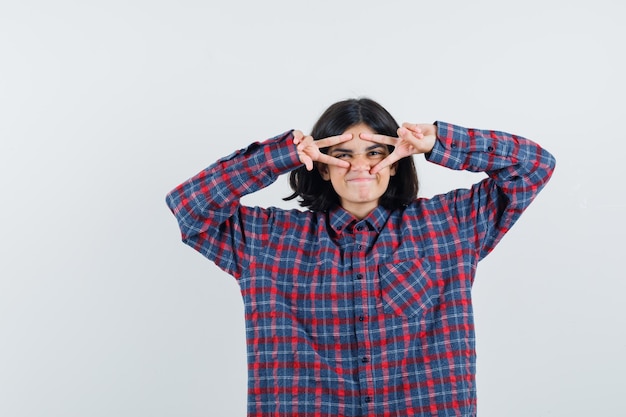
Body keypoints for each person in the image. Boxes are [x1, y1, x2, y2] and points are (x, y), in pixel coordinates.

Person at [165, 98, 556, 416]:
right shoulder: (266, 241)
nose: (360, 166)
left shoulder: (450, 225)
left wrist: (437, 140)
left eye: (375, 151)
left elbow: (534, 166)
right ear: (321, 166)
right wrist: (278, 155)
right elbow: (189, 209)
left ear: (397, 159)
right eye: (341, 154)